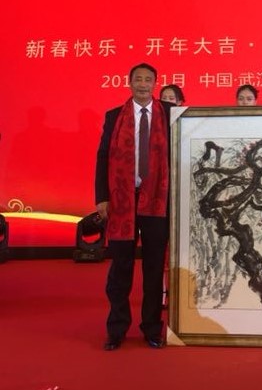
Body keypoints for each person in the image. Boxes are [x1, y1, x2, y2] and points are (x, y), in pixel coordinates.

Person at [95, 63, 172, 351]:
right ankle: (116, 328)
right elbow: (103, 157)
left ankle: (152, 328)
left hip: (157, 201)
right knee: (121, 268)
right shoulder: (114, 116)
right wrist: (102, 197)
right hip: (122, 200)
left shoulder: (170, 114)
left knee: (153, 268)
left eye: (148, 79)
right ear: (129, 83)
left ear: (155, 83)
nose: (142, 84)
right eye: (137, 79)